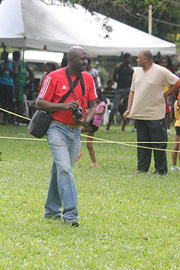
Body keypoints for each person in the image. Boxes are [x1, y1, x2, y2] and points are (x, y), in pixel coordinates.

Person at [35, 46, 97, 227]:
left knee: (61, 170)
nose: (85, 62)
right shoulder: (53, 77)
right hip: (56, 129)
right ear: (71, 60)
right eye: (82, 59)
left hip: (75, 131)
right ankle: (70, 214)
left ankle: (51, 210)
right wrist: (63, 106)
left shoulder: (88, 78)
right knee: (64, 169)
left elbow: (93, 106)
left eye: (86, 59)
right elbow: (39, 103)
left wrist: (86, 120)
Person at [123, 50, 180, 175]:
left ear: (146, 59)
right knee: (142, 143)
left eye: (138, 58)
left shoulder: (160, 71)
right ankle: (142, 168)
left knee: (158, 143)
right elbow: (132, 91)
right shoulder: (136, 72)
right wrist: (129, 108)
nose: (136, 60)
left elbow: (177, 82)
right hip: (140, 113)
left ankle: (160, 170)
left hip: (155, 114)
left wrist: (165, 95)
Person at [78, 89, 106, 167]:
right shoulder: (95, 104)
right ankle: (94, 163)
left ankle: (77, 152)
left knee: (77, 130)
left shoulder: (102, 104)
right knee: (89, 145)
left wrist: (90, 112)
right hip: (90, 124)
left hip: (94, 125)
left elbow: (100, 112)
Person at [106, 53, 134, 131]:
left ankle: (123, 128)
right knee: (114, 107)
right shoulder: (118, 67)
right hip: (119, 89)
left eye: (131, 59)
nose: (130, 60)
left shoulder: (131, 69)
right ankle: (108, 126)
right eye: (129, 58)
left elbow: (132, 79)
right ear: (124, 59)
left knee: (125, 108)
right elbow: (114, 78)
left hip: (127, 89)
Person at [13, 50, 34, 126]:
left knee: (20, 102)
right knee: (21, 101)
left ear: (14, 56)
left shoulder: (17, 63)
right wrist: (26, 78)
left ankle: (19, 120)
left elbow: (15, 72)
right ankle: (20, 120)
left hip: (18, 83)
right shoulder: (23, 64)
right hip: (23, 83)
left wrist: (14, 80)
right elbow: (31, 73)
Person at [159, 56, 175, 134]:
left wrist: (169, 96)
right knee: (163, 111)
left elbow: (172, 85)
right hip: (160, 93)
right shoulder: (158, 72)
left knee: (168, 112)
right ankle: (163, 127)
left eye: (164, 63)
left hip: (167, 93)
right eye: (161, 63)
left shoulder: (168, 72)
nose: (163, 64)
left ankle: (168, 127)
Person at [0, 51, 16, 124]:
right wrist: (3, 69)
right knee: (2, 101)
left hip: (9, 84)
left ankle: (11, 119)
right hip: (2, 83)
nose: (1, 57)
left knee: (10, 101)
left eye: (2, 56)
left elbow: (15, 73)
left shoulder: (12, 63)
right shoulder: (1, 64)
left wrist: (8, 68)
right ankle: (4, 119)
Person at [171, 99, 180, 171]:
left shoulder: (176, 102)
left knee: (176, 146)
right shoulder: (178, 103)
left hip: (177, 124)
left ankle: (174, 166)